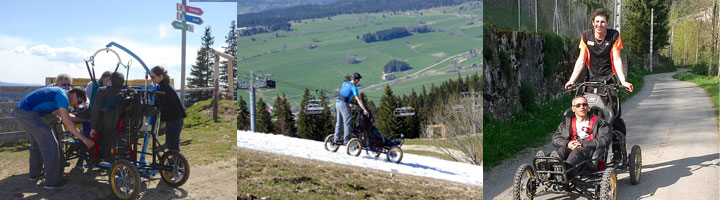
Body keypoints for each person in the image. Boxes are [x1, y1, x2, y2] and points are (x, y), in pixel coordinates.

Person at [564, 8, 632, 162]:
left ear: (607, 23)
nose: (599, 25)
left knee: (613, 117)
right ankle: (584, 151)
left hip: (609, 82)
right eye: (597, 22)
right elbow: (581, 60)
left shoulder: (614, 36)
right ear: (593, 23)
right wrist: (572, 80)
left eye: (603, 22)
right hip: (590, 81)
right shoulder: (586, 36)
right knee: (586, 115)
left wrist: (622, 81)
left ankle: (618, 152)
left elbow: (616, 59)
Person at [13, 87, 94, 189]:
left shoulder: (60, 94)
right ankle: (52, 182)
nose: (77, 105)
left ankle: (35, 175)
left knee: (37, 145)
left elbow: (66, 116)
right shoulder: (63, 96)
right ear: (74, 94)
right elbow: (67, 122)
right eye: (79, 101)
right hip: (28, 113)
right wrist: (84, 139)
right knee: (51, 145)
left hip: (22, 112)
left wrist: (84, 119)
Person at [549, 96, 611, 174]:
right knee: (561, 151)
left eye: (584, 105)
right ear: (573, 109)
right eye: (578, 105)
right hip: (571, 147)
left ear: (588, 107)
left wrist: (583, 144)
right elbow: (556, 138)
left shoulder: (599, 122)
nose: (582, 107)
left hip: (589, 149)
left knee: (576, 153)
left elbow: (605, 139)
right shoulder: (567, 123)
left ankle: (566, 173)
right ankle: (548, 168)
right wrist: (568, 144)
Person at [89, 72, 125, 160]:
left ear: (111, 81)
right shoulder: (125, 92)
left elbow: (95, 110)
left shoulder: (103, 91)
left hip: (105, 123)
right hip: (119, 123)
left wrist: (93, 127)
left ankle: (99, 156)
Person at [150, 66, 186, 152]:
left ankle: (178, 163)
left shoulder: (165, 87)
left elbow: (161, 103)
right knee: (170, 143)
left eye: (153, 77)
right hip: (172, 117)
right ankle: (174, 162)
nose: (152, 79)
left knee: (173, 144)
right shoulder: (164, 85)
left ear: (160, 77)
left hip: (175, 117)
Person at [333, 72, 369, 145]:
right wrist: (364, 109)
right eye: (358, 80)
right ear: (356, 80)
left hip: (338, 103)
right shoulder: (354, 87)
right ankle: (346, 141)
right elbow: (358, 99)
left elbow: (343, 94)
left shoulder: (344, 83)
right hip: (343, 104)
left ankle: (336, 139)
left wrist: (348, 103)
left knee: (339, 122)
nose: (358, 82)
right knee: (347, 122)